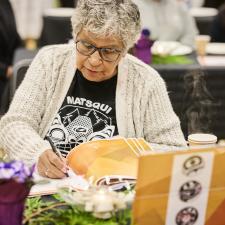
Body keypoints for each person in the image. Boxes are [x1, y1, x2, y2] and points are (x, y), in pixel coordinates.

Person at [0, 0, 186, 179]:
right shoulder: (50, 62)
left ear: (125, 50)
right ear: (75, 35)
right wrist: (37, 153)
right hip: (48, 185)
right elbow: (14, 123)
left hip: (113, 195)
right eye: (87, 45)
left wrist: (123, 156)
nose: (95, 60)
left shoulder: (146, 81)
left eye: (109, 51)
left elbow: (174, 149)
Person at [132, 0, 198, 48]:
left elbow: (191, 33)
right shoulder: (133, 5)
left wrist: (182, 48)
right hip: (144, 56)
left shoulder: (178, 4)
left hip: (177, 57)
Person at [0, 0, 22, 114]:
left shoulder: (5, 3)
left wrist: (23, 55)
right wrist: (5, 71)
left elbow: (14, 35)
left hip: (10, 72)